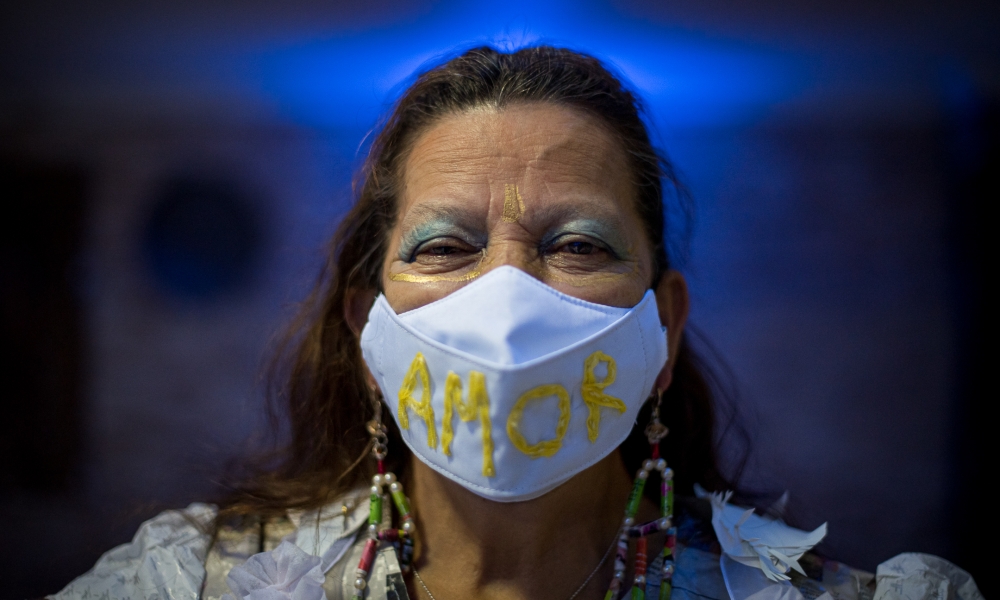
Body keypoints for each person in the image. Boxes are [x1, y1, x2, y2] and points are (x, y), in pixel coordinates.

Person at [52, 46, 981, 600]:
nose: (505, 297)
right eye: (443, 247)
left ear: (663, 326)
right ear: (369, 332)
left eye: (577, 244)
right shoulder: (185, 584)